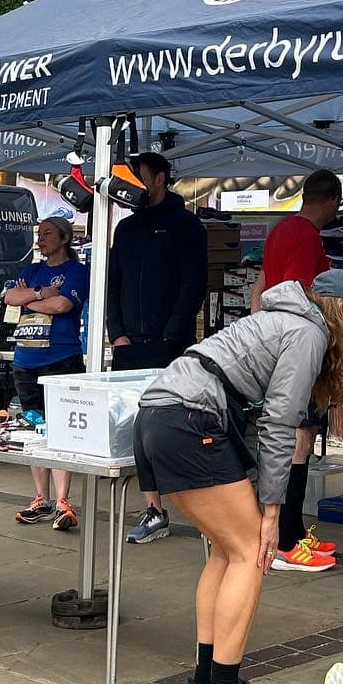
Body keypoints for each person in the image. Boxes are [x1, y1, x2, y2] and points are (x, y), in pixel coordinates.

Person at [133, 268, 343, 684]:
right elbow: (278, 424)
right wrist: (273, 512)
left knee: (227, 552)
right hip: (190, 419)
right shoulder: (309, 331)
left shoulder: (286, 319)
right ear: (334, 306)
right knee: (253, 551)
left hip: (162, 414)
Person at [106, 152, 208, 545]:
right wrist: (117, 332)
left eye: (139, 176)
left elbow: (192, 284)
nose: (131, 183)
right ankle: (155, 510)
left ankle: (202, 511)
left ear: (160, 179)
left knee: (177, 428)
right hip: (127, 344)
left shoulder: (187, 226)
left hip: (170, 345)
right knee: (135, 431)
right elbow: (112, 283)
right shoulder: (127, 228)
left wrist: (171, 334)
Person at [249, 169, 343, 568]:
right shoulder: (305, 236)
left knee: (294, 438)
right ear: (334, 202)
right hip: (294, 349)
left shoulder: (280, 229)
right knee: (299, 439)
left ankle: (294, 532)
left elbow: (263, 285)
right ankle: (287, 541)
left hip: (276, 344)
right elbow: (300, 295)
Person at [6, 215, 90, 531]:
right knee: (34, 427)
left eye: (48, 234)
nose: (41, 240)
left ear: (65, 239)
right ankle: (40, 498)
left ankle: (63, 500)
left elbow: (64, 307)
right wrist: (43, 294)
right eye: (39, 234)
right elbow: (11, 298)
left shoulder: (76, 271)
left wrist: (33, 299)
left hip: (61, 358)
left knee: (60, 428)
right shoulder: (33, 271)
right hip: (26, 357)